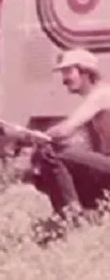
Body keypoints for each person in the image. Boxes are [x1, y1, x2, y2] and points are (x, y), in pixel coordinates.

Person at [26, 48, 110, 219]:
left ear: (86, 72)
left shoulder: (101, 95)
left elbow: (65, 131)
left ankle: (70, 218)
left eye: (68, 72)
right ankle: (87, 213)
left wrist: (38, 136)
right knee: (42, 170)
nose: (64, 80)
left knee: (50, 153)